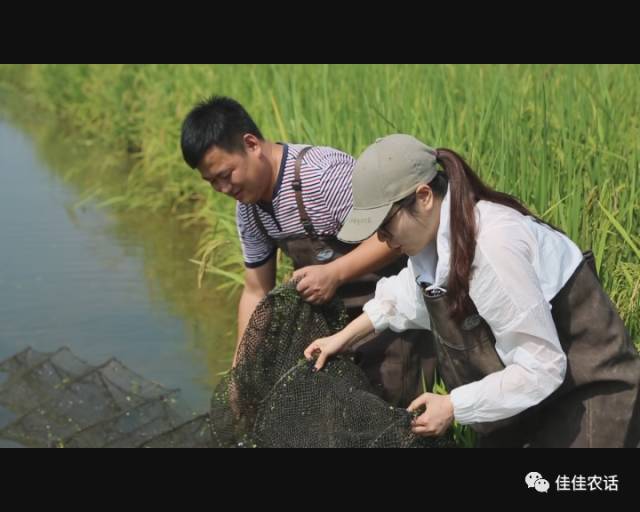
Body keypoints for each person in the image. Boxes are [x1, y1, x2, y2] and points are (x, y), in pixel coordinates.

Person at [304, 134, 640, 447]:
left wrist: (452, 407)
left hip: (587, 387)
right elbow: (405, 298)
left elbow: (543, 366)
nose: (382, 240)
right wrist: (342, 338)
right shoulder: (431, 241)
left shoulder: (492, 246)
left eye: (385, 225)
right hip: (529, 394)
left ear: (423, 197)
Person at [180, 98, 435, 406]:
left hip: (394, 317)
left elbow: (400, 235)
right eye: (212, 183)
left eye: (226, 174)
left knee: (393, 412)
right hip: (335, 328)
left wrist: (335, 273)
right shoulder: (249, 210)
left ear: (251, 144)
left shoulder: (322, 176)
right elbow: (255, 290)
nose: (223, 188)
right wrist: (240, 372)